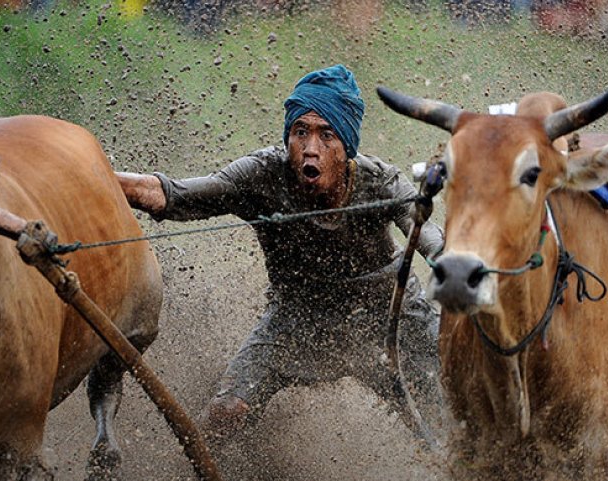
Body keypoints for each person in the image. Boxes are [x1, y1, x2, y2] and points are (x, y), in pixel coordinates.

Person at [117, 64, 444, 446]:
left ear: (346, 147)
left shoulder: (380, 180)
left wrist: (451, 261)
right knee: (223, 415)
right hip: (297, 318)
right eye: (299, 132)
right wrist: (95, 177)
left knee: (449, 407)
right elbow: (174, 195)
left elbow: (429, 236)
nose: (310, 148)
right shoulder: (261, 174)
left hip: (388, 316)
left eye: (326, 135)